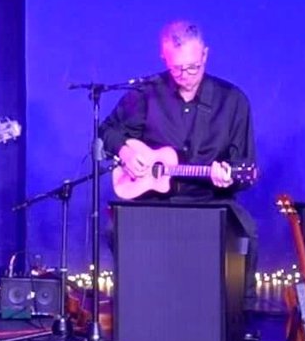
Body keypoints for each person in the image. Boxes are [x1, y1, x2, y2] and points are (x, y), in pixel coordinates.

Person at [99, 20, 259, 291]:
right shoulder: (146, 94)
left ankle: (236, 318)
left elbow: (244, 166)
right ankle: (139, 306)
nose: (186, 75)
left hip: (209, 201)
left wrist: (228, 177)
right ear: (165, 58)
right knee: (116, 228)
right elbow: (107, 131)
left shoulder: (232, 101)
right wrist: (125, 152)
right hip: (154, 200)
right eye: (177, 68)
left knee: (246, 232)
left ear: (205, 55)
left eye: (193, 67)